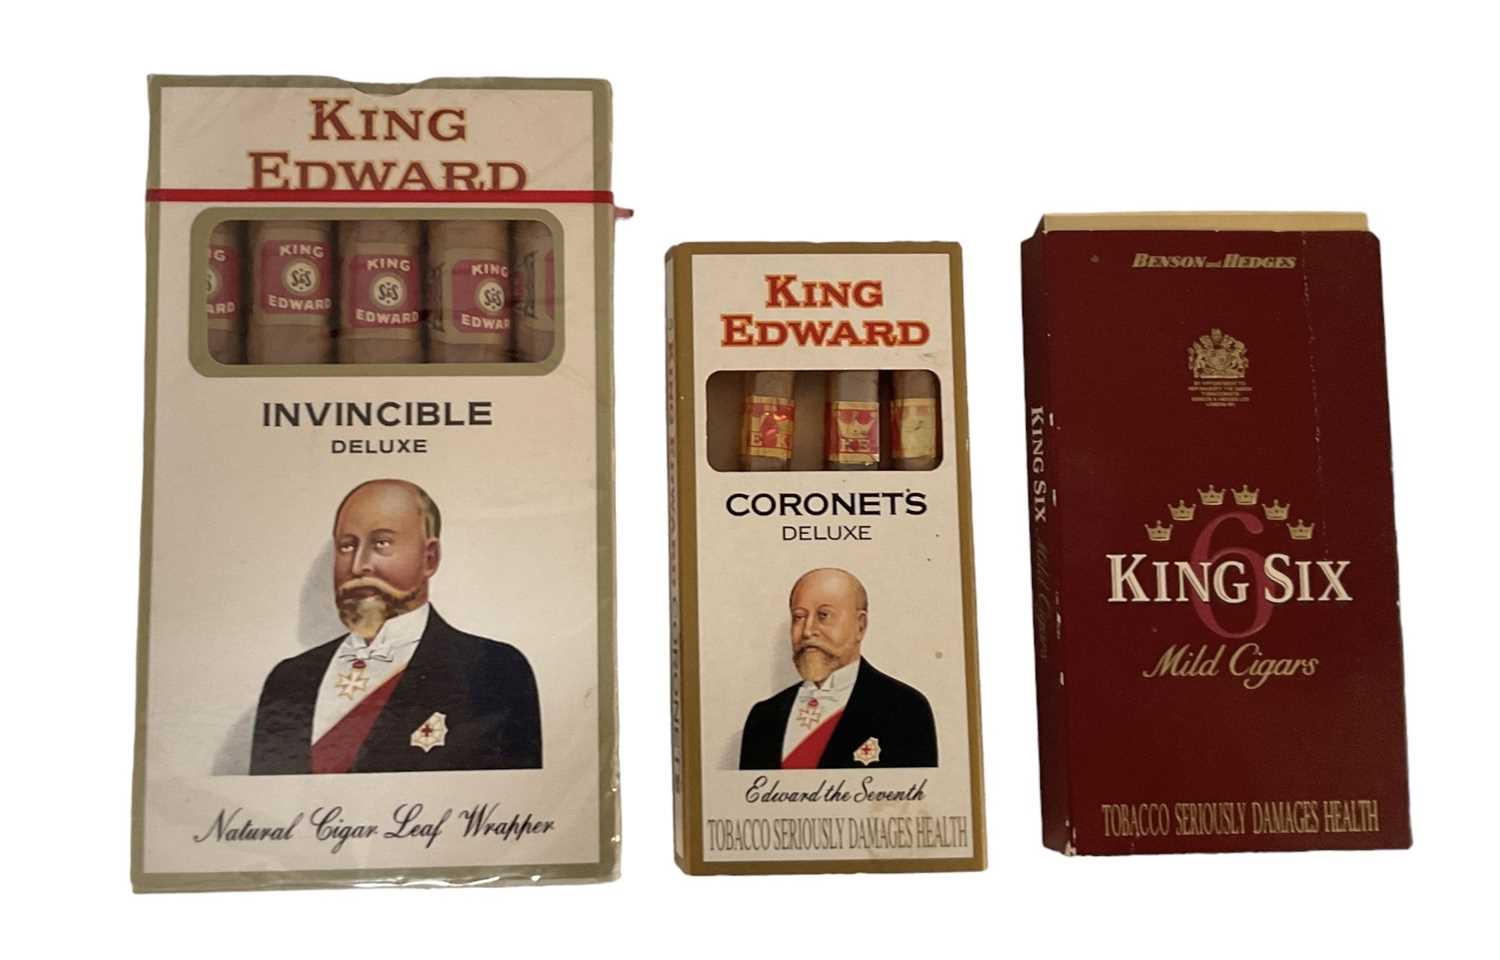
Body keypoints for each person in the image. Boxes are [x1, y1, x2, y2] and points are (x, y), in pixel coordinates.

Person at [250, 479, 541, 774]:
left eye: (382, 543)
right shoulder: (288, 680)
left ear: (429, 558)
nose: (358, 566)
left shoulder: (494, 671)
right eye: (347, 546)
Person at [739, 568, 937, 770]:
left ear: (860, 625)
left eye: (823, 615)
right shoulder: (763, 717)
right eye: (799, 617)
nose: (807, 631)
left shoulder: (905, 709)